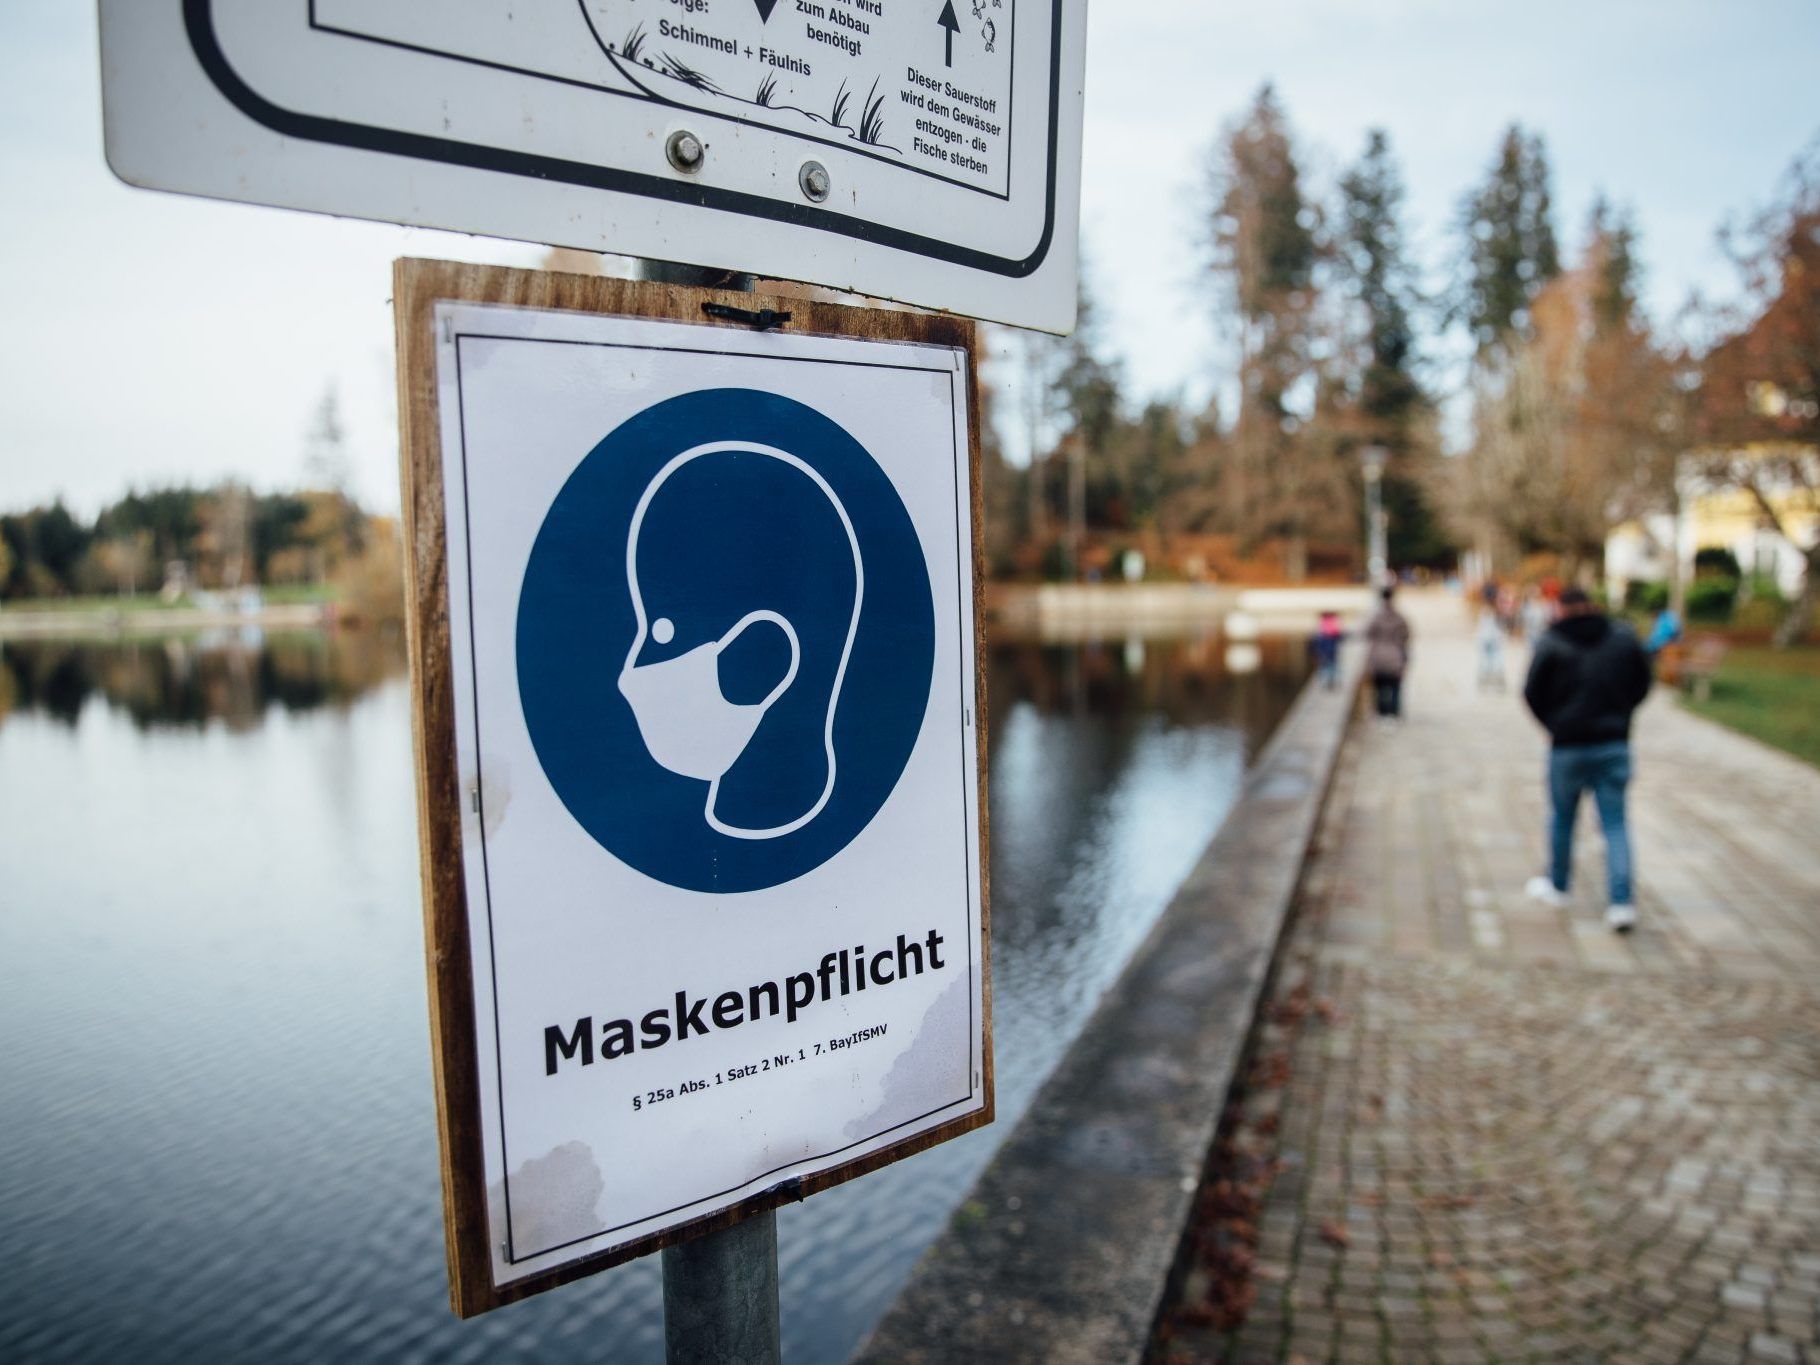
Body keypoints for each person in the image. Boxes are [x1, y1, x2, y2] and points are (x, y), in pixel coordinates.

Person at [1521, 586, 1653, 932]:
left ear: (1561, 608)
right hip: (1613, 742)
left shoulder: (1552, 641)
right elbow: (1642, 683)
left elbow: (1532, 691)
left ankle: (1558, 885)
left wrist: (1555, 724)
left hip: (1568, 745)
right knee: (1615, 824)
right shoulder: (1622, 637)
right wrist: (1621, 714)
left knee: (1563, 818)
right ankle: (1621, 903)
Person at [1364, 585, 1411, 720]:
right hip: (1395, 656)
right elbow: (1406, 636)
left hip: (1378, 656)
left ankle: (1381, 712)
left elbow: (1367, 633)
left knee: (1379, 688)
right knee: (1395, 687)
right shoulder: (1399, 617)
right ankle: (1394, 713)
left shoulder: (1375, 616)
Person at [1312, 609, 1344, 689]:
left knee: (1325, 665)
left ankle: (1325, 681)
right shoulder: (1334, 621)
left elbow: (1317, 637)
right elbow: (1338, 634)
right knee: (1332, 664)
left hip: (1325, 648)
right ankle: (1332, 680)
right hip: (1331, 647)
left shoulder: (1322, 623)